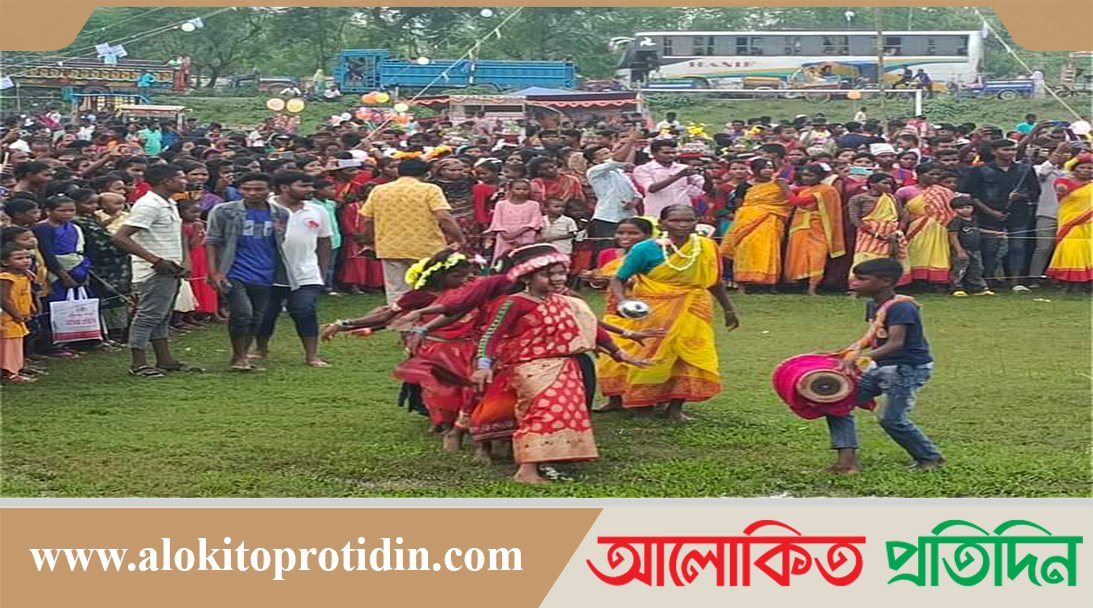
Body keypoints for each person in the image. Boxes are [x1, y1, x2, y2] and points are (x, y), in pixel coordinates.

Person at [471, 244, 646, 484]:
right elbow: (491, 335)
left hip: (566, 366)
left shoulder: (568, 302)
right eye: (547, 274)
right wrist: (483, 365)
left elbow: (592, 327)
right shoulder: (514, 303)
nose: (557, 279)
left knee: (563, 414)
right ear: (527, 278)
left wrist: (619, 353)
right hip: (529, 367)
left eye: (561, 273)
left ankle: (550, 459)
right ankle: (526, 471)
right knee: (541, 413)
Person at [608, 205, 739, 422]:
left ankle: (675, 407)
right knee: (651, 354)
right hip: (655, 312)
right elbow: (618, 279)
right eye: (675, 220)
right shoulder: (644, 249)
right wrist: (623, 302)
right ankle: (643, 406)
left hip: (694, 309)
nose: (683, 225)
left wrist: (728, 309)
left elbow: (715, 281)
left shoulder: (707, 246)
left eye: (688, 220)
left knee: (687, 355)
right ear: (662, 224)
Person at [826, 258, 943, 474]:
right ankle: (847, 462)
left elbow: (896, 343)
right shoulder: (873, 305)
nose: (854, 282)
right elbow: (874, 336)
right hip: (881, 366)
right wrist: (847, 351)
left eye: (862, 279)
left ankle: (930, 458)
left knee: (891, 419)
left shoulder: (903, 307)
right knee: (837, 402)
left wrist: (861, 359)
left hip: (906, 368)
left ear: (886, 281)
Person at [112, 164, 200, 378]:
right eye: (181, 177)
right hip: (154, 271)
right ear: (166, 181)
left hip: (171, 267)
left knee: (162, 315)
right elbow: (120, 237)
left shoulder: (169, 202)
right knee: (148, 316)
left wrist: (185, 260)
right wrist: (155, 260)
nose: (185, 181)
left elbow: (178, 233)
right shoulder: (149, 205)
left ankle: (165, 359)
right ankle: (138, 363)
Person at [206, 173, 287, 371]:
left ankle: (244, 354)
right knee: (242, 313)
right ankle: (238, 356)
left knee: (257, 317)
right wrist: (214, 272)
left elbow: (278, 242)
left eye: (258, 189)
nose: (252, 193)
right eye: (246, 189)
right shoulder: (224, 211)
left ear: (270, 190)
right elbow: (212, 241)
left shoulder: (280, 214)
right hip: (233, 270)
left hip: (265, 272)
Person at [360, 158, 464, 304]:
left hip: (390, 247)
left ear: (399, 172)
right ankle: (427, 315)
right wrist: (459, 239)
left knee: (397, 290)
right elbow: (444, 217)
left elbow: (368, 220)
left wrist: (368, 241)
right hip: (426, 246)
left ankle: (398, 316)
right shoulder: (430, 189)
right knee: (429, 287)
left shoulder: (379, 190)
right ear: (426, 174)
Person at [254, 171, 331, 368]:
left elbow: (324, 242)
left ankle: (312, 355)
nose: (310, 189)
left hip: (306, 271)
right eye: (303, 186)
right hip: (268, 271)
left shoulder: (317, 210)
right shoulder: (266, 207)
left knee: (304, 310)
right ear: (284, 187)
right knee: (266, 313)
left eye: (311, 185)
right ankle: (260, 349)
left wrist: (322, 272)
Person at [589, 217, 656, 412]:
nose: (625, 237)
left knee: (640, 358)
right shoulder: (608, 254)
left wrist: (613, 279)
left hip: (640, 315)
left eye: (633, 233)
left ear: (647, 235)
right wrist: (594, 278)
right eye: (621, 232)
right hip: (614, 314)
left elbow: (650, 282)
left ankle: (643, 401)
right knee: (609, 359)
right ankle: (614, 400)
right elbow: (605, 281)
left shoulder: (652, 255)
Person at [957, 138, 1040, 287]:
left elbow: (1035, 191)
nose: (1010, 153)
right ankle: (988, 279)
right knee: (990, 249)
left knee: (1018, 247)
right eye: (1005, 149)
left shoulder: (1025, 169)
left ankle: (1015, 281)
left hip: (1018, 215)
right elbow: (973, 195)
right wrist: (990, 211)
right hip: (988, 216)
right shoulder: (980, 170)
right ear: (994, 151)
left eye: (1013, 150)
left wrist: (1022, 195)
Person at [719, 158, 792, 291]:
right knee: (744, 248)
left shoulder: (779, 183)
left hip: (771, 221)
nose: (768, 170)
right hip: (747, 222)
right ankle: (742, 284)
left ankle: (770, 284)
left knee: (770, 249)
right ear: (754, 170)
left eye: (770, 167)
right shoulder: (744, 186)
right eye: (764, 167)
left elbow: (789, 201)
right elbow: (740, 207)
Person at [71, 188, 131, 345]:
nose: (94, 206)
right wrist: (126, 247)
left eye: (96, 203)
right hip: (101, 266)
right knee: (108, 299)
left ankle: (117, 332)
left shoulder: (91, 218)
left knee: (116, 300)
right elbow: (102, 244)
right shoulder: (79, 222)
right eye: (89, 203)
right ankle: (111, 333)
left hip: (113, 266)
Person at [784, 163, 845, 295]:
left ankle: (813, 287)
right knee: (798, 254)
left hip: (817, 227)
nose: (806, 178)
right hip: (800, 226)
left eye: (810, 175)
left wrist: (786, 190)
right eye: (804, 175)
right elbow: (797, 193)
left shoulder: (826, 190)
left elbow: (797, 202)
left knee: (817, 256)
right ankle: (797, 285)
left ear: (820, 177)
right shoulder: (807, 189)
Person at [848, 173, 910, 284]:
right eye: (885, 183)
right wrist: (874, 233)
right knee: (865, 257)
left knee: (890, 258)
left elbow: (904, 215)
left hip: (892, 233)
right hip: (868, 233)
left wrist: (898, 231)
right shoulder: (859, 198)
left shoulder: (893, 198)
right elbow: (855, 219)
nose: (888, 186)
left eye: (890, 184)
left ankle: (886, 284)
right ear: (872, 184)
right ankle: (859, 285)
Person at [585, 132, 640, 254]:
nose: (609, 155)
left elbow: (636, 194)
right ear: (595, 160)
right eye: (604, 154)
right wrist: (631, 141)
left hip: (628, 216)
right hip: (608, 217)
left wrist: (633, 202)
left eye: (609, 152)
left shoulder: (620, 173)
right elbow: (617, 160)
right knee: (608, 250)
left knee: (628, 249)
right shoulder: (594, 171)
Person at [904, 163, 958, 286]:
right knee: (915, 251)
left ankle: (936, 281)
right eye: (932, 174)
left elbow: (951, 211)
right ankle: (916, 281)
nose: (935, 177)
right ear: (919, 175)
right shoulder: (906, 191)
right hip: (916, 228)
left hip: (940, 227)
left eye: (938, 174)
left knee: (938, 254)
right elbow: (901, 211)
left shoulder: (945, 192)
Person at [1045, 154, 1093, 288]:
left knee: (1088, 249)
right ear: (1074, 169)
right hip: (1070, 223)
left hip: (1089, 223)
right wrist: (1062, 189)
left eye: (1090, 168)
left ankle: (1086, 282)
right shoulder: (1064, 182)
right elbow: (1061, 189)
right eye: (1082, 167)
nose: (1087, 170)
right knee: (1071, 248)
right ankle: (1067, 282)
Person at [1028, 142, 1074, 280]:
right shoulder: (1040, 169)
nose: (1063, 156)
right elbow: (1043, 173)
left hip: (1070, 216)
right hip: (1047, 213)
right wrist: (1059, 149)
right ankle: (1034, 277)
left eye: (1067, 153)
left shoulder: (1074, 172)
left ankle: (1062, 277)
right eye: (1059, 153)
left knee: (1066, 248)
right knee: (1044, 247)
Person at [633, 139, 705, 220]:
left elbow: (704, 187)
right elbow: (651, 188)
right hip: (657, 213)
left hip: (683, 212)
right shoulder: (643, 169)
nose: (671, 155)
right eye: (666, 153)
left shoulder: (683, 168)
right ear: (653, 153)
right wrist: (679, 175)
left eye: (673, 153)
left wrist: (706, 174)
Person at [0, 244, 36, 384]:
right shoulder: (6, 278)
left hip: (18, 316)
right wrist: (15, 314)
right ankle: (10, 373)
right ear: (5, 262)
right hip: (7, 317)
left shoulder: (24, 275)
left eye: (28, 257)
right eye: (19, 258)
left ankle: (15, 369)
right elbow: (3, 299)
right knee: (9, 344)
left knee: (17, 342)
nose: (26, 261)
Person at [487, 178, 542, 262]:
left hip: (525, 236)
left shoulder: (534, 205)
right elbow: (497, 221)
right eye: (518, 189)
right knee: (504, 259)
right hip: (505, 236)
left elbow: (535, 221)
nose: (522, 191)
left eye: (525, 189)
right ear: (510, 190)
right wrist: (505, 234)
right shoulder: (501, 204)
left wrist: (516, 233)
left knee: (524, 259)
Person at [947, 196, 992, 296]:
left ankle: (977, 288)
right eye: (961, 208)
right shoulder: (956, 221)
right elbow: (953, 236)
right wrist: (959, 251)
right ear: (954, 209)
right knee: (960, 269)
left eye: (968, 207)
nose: (965, 210)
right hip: (962, 249)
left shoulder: (974, 219)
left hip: (975, 249)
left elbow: (977, 230)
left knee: (977, 268)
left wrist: (995, 233)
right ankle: (957, 287)